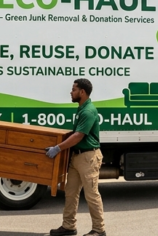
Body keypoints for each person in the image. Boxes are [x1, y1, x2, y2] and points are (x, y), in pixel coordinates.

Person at [45, 78, 104, 236]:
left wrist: (58, 148)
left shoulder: (88, 111)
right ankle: (69, 226)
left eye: (74, 89)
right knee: (71, 193)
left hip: (88, 158)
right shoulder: (81, 108)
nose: (71, 92)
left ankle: (99, 229)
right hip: (77, 157)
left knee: (91, 195)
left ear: (82, 92)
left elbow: (78, 136)